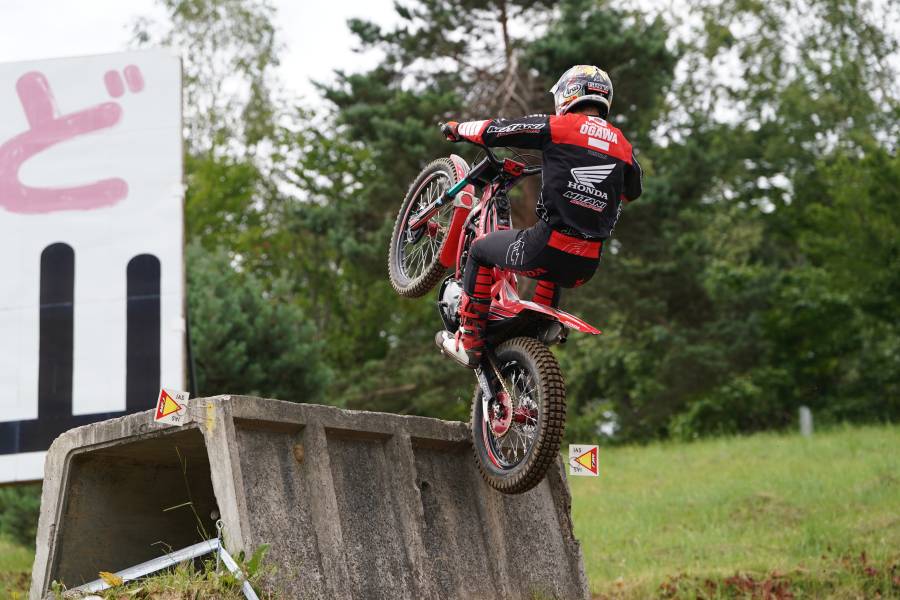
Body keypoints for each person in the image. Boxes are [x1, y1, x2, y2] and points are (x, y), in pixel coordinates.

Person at [435, 65, 643, 368]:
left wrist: (459, 129)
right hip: (585, 265)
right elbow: (631, 191)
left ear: (569, 92)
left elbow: (498, 131)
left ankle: (470, 342)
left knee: (480, 251)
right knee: (555, 264)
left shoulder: (560, 126)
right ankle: (533, 334)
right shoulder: (623, 146)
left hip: (544, 247)